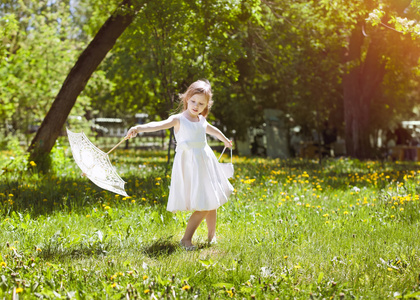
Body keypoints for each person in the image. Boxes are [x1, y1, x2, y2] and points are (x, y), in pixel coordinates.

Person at [126, 79, 233, 250]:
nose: (196, 106)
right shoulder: (178, 119)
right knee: (204, 203)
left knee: (211, 198)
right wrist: (139, 128)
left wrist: (225, 140)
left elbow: (213, 130)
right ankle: (186, 239)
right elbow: (158, 125)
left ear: (206, 105)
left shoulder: (201, 120)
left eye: (201, 103)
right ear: (186, 98)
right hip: (190, 164)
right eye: (193, 101)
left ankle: (211, 236)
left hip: (205, 162)